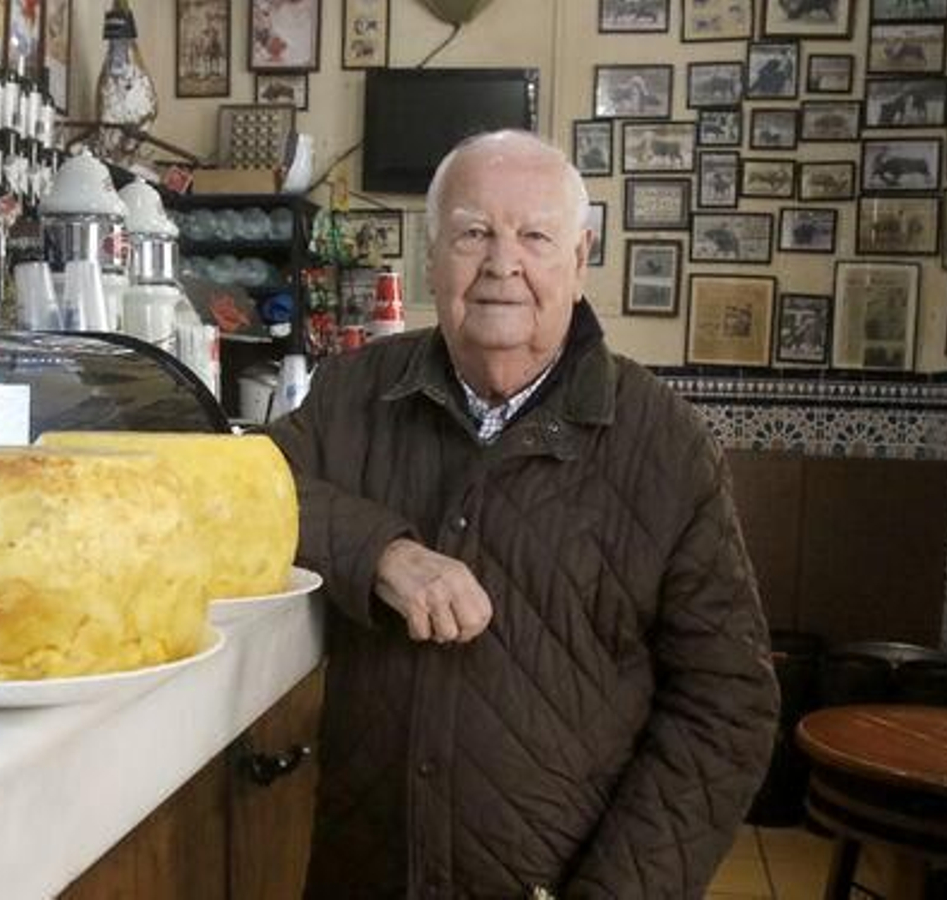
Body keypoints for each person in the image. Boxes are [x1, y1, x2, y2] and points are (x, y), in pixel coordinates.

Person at [268, 130, 779, 898]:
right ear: (432, 257)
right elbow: (250, 493)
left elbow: (728, 707)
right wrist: (381, 553)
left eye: (535, 236)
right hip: (363, 871)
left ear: (579, 260)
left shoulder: (666, 444)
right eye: (473, 233)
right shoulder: (353, 394)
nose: (502, 263)